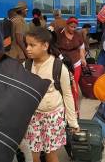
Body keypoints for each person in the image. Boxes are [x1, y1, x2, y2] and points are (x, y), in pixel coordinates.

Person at [23, 27, 80, 162]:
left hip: (53, 118)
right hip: (33, 118)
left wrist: (73, 122)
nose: (27, 49)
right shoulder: (25, 66)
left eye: (32, 45)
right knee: (34, 154)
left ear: (45, 46)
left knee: (51, 155)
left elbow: (67, 95)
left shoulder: (58, 67)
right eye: (26, 45)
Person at [56, 17, 86, 87]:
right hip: (63, 62)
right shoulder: (59, 32)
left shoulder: (77, 34)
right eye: (71, 27)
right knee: (65, 83)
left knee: (74, 82)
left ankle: (74, 97)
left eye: (75, 27)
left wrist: (83, 58)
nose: (73, 29)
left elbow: (81, 47)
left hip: (76, 62)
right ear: (66, 25)